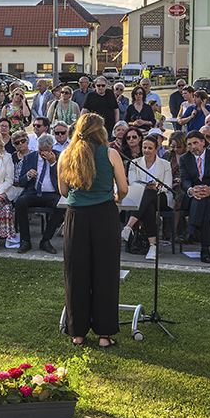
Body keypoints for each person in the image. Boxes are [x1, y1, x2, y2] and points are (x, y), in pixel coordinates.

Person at [59, 114, 128, 348]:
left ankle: (77, 332)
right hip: (104, 215)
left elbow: (63, 191)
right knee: (105, 272)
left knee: (76, 272)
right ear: (100, 131)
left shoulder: (66, 155)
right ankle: (104, 334)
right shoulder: (111, 154)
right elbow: (123, 188)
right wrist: (114, 196)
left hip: (76, 217)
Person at [119, 133, 171, 258]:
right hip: (142, 198)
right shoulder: (135, 163)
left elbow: (167, 185)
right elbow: (133, 183)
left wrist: (156, 187)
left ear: (156, 149)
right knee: (149, 207)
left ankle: (128, 226)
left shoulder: (165, 164)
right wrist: (146, 187)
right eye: (144, 147)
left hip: (161, 197)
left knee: (150, 193)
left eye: (150, 148)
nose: (146, 150)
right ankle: (152, 246)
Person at [177, 130, 210, 263]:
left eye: (195, 143)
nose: (193, 147)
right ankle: (205, 249)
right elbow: (185, 180)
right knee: (203, 202)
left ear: (203, 142)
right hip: (194, 196)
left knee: (206, 200)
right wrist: (191, 190)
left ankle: (190, 230)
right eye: (189, 144)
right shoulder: (184, 158)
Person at [15, 133, 63, 254]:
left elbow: (64, 179)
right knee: (20, 202)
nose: (43, 153)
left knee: (61, 206)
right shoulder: (29, 157)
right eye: (40, 150)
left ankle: (46, 240)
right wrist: (28, 176)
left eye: (46, 150)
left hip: (52, 193)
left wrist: (53, 163)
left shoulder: (59, 156)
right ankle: (25, 240)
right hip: (33, 192)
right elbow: (21, 182)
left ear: (51, 148)